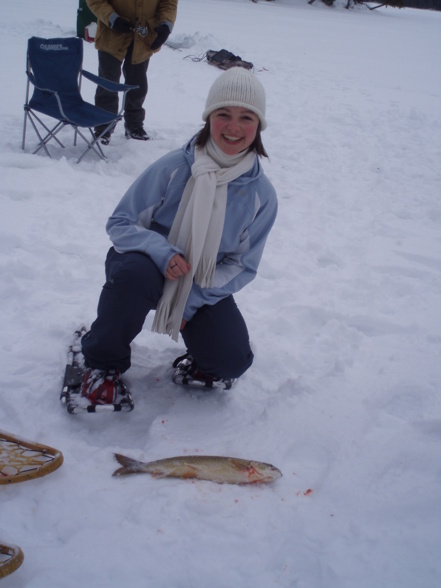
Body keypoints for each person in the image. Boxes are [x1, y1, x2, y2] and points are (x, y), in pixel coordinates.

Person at [80, 67, 278, 407]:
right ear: (208, 118)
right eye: (224, 114)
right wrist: (162, 253)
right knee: (133, 276)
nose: (234, 127)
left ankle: (203, 362)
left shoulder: (261, 195)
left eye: (246, 117)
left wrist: (192, 298)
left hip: (201, 283)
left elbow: (242, 266)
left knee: (232, 361)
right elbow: (121, 221)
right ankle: (102, 363)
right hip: (143, 266)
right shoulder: (174, 167)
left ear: (258, 126)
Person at [86, 0, 178, 144]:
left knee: (138, 84)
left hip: (143, 37)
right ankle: (103, 127)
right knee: (107, 84)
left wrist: (166, 24)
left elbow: (169, 3)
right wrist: (113, 18)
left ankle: (134, 125)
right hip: (111, 34)